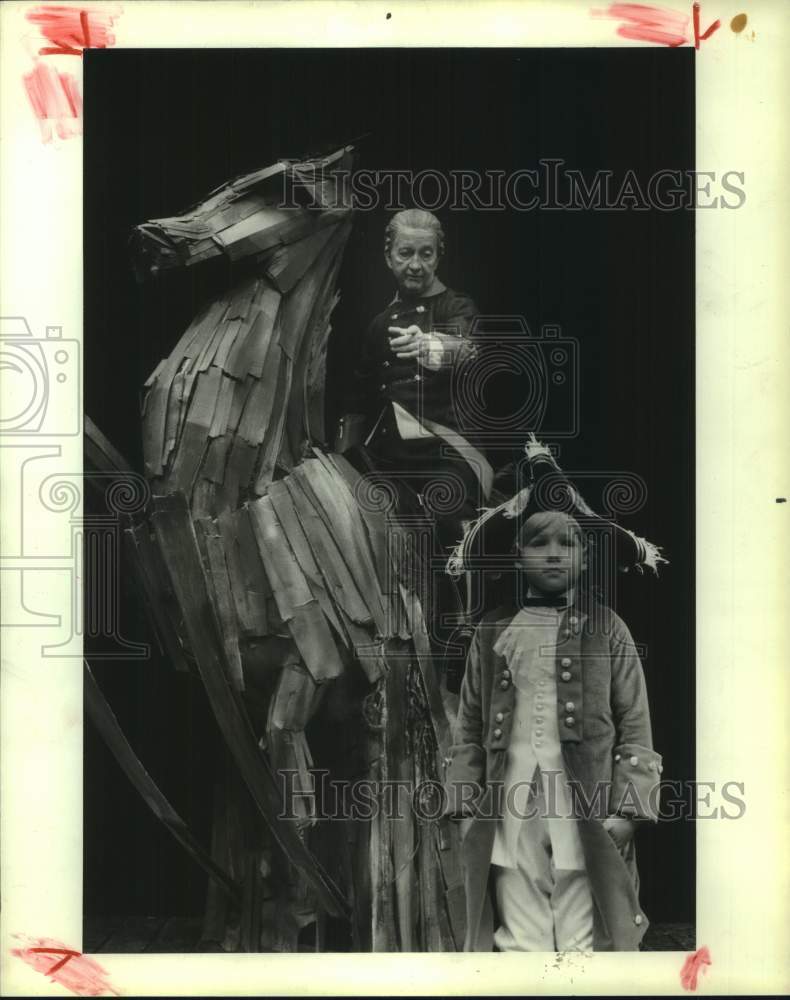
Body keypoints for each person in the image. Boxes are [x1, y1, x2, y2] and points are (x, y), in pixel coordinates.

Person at [443, 508, 663, 952]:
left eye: (568, 544)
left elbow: (635, 719)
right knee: (520, 933)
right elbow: (468, 720)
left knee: (585, 930)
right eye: (538, 544)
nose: (553, 555)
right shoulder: (491, 631)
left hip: (585, 803)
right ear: (517, 556)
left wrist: (628, 808)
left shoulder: (608, 629)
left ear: (585, 558)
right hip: (509, 803)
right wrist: (464, 802)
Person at [335, 208, 493, 545]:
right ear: (388, 257)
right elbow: (358, 404)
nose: (416, 265)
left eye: (426, 253)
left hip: (451, 455)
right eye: (405, 253)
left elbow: (467, 348)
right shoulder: (380, 324)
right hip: (392, 459)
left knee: (449, 525)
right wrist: (340, 469)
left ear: (438, 257)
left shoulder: (458, 307)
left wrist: (429, 345)